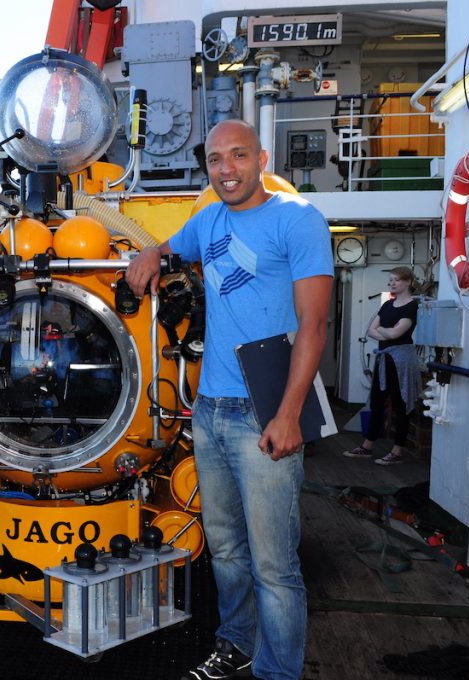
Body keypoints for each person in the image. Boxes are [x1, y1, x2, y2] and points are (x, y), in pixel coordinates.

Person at [126, 119, 332, 680]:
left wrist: (289, 414)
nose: (226, 169)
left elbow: (315, 324)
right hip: (210, 412)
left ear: (261, 159)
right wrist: (152, 255)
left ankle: (278, 672)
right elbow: (173, 246)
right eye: (216, 160)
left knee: (274, 564)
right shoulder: (209, 219)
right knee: (226, 551)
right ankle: (236, 642)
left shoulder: (298, 220)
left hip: (265, 413)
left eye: (238, 156)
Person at [343, 267, 420, 465]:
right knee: (377, 402)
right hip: (385, 360)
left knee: (401, 405)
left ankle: (397, 451)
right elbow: (371, 330)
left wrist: (384, 332)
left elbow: (395, 334)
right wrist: (388, 331)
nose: (392, 283)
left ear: (408, 282)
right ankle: (367, 446)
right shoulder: (387, 305)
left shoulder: (412, 306)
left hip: (401, 362)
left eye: (396, 280)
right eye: (391, 280)